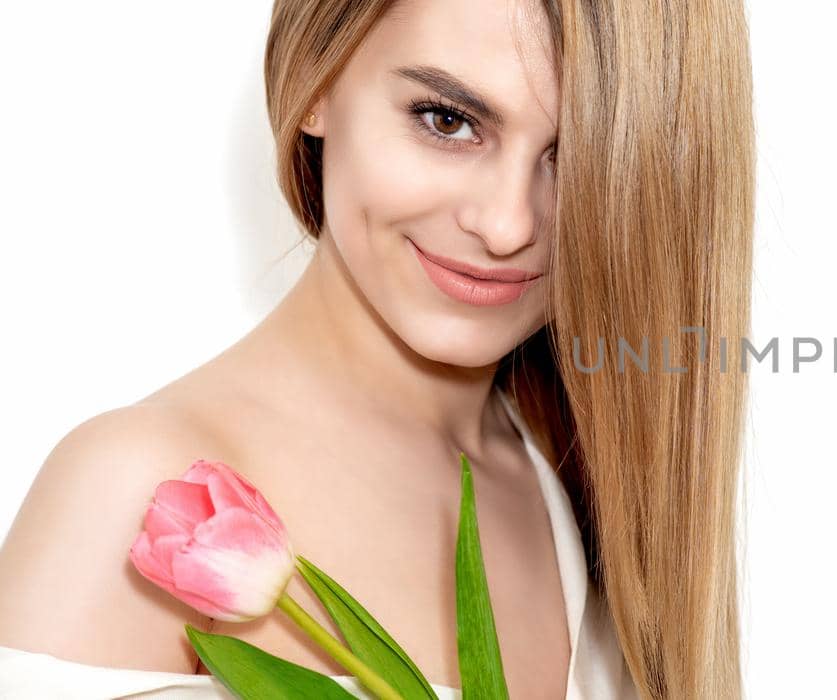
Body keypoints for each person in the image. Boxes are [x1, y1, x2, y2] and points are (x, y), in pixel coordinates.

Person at [0, 0, 754, 697]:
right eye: (447, 120)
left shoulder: (594, 486)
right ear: (316, 82)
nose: (507, 225)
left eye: (582, 158)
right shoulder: (137, 497)